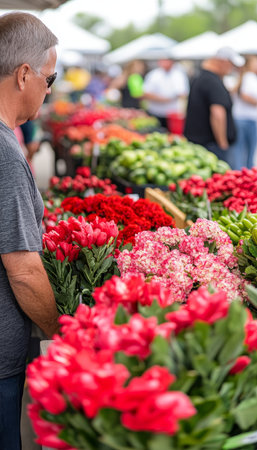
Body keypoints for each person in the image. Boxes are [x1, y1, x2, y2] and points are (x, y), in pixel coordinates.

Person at [0, 12, 60, 449]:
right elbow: (22, 269)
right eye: (49, 79)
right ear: (24, 74)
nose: (49, 90)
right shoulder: (4, 152)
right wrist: (63, 332)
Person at [184, 47, 245, 164]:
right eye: (231, 64)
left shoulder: (202, 77)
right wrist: (223, 144)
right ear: (223, 62)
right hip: (212, 145)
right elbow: (217, 113)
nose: (232, 68)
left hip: (202, 143)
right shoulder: (212, 81)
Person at [142, 57, 189, 129]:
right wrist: (162, 99)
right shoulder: (153, 74)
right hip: (155, 112)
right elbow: (145, 93)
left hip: (172, 115)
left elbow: (183, 93)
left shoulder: (179, 74)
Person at [231, 55, 257, 169]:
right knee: (248, 152)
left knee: (241, 150)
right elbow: (245, 95)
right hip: (248, 119)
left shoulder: (244, 77)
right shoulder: (249, 77)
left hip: (241, 118)